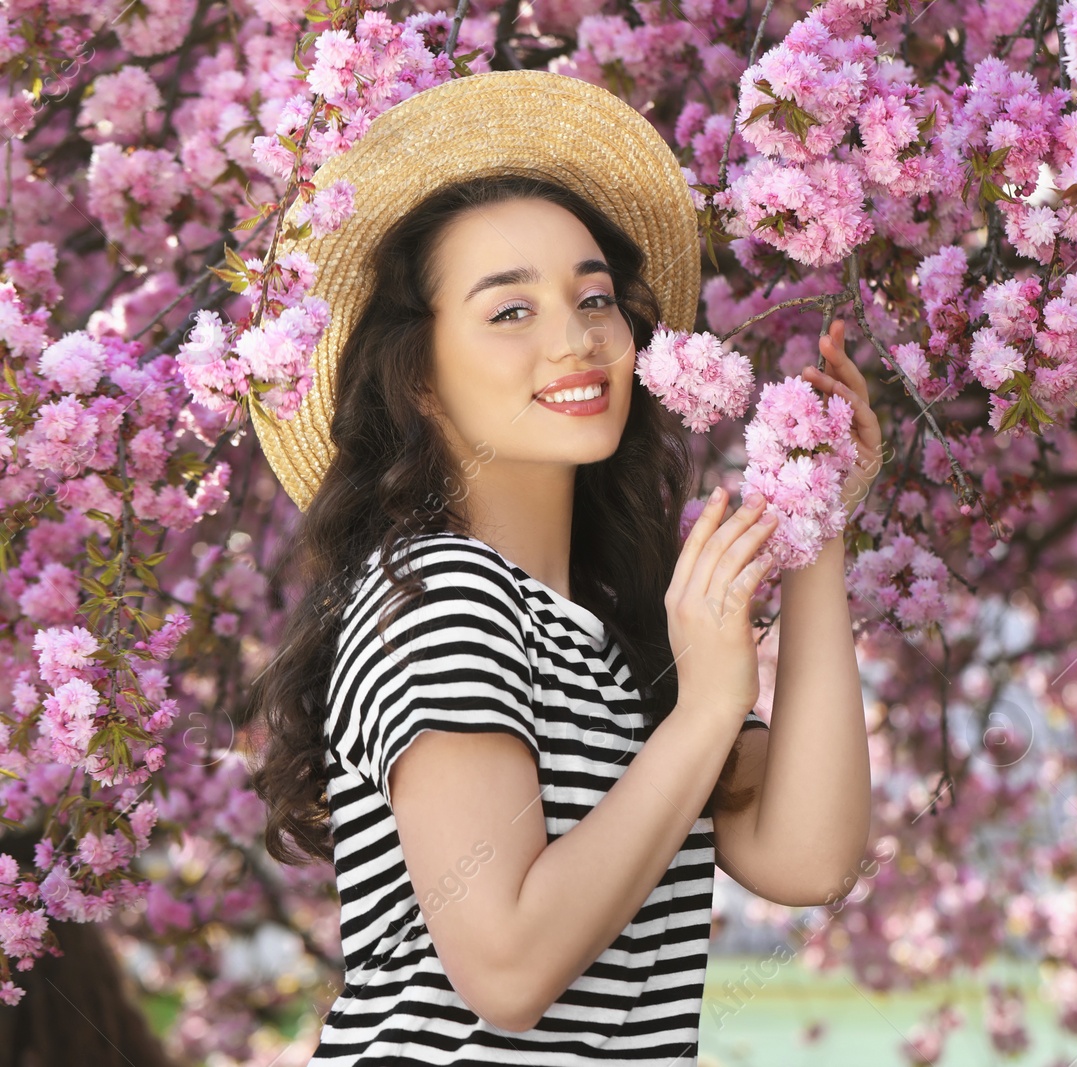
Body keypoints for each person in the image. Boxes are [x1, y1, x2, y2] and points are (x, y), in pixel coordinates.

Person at [243, 70, 876, 1063]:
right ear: (417, 375)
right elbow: (506, 968)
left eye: (593, 298)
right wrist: (711, 707)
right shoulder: (442, 598)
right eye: (509, 311)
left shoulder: (603, 634)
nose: (576, 339)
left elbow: (809, 853)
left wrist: (815, 528)